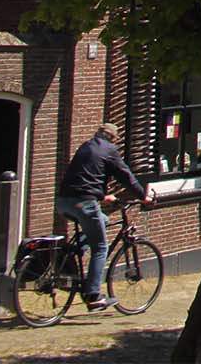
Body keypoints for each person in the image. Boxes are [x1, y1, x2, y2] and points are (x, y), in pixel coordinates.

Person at [55, 122, 154, 310]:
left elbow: (83, 176)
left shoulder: (86, 146)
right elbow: (126, 176)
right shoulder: (109, 150)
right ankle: (94, 296)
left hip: (64, 202)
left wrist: (102, 196)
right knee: (100, 247)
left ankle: (76, 251)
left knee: (104, 220)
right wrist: (143, 196)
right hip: (84, 203)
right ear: (113, 138)